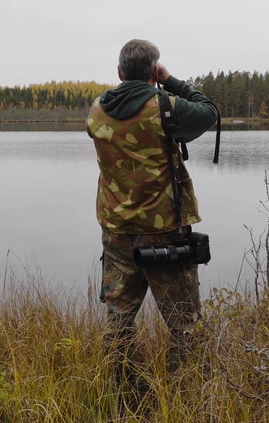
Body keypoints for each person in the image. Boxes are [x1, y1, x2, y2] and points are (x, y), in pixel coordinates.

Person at [86, 39, 218, 403]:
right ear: (153, 72)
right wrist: (171, 80)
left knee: (118, 320)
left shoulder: (97, 111)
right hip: (163, 234)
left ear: (119, 72)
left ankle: (119, 394)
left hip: (116, 232)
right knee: (184, 324)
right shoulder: (164, 107)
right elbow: (209, 112)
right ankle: (186, 397)